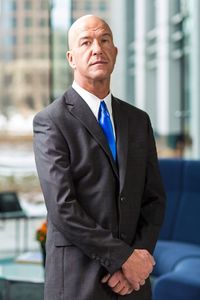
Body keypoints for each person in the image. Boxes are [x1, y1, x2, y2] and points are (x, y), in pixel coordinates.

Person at [33, 15, 165, 300]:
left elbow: (154, 199)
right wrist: (123, 259)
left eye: (105, 40)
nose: (97, 48)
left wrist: (136, 263)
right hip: (78, 282)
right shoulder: (51, 121)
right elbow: (63, 207)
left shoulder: (138, 120)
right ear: (71, 58)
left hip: (133, 285)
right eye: (86, 42)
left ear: (115, 52)